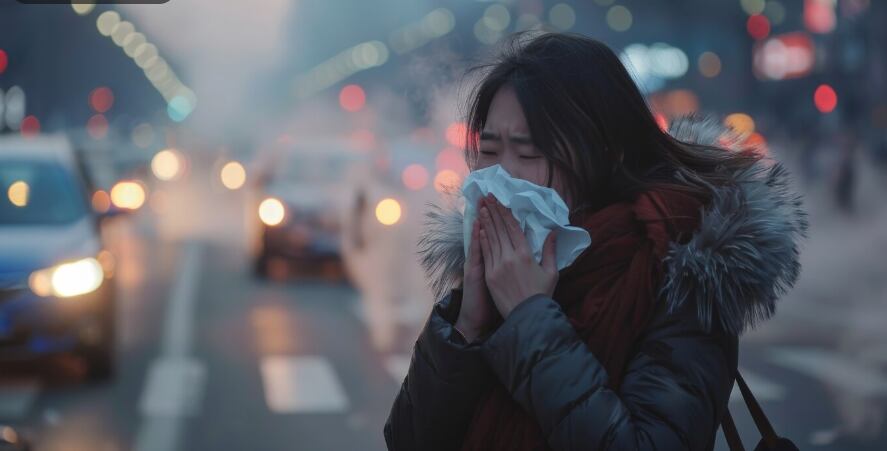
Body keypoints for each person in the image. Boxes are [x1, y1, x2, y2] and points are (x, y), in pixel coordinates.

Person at [383, 32, 808, 451]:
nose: (501, 178)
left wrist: (529, 318)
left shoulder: (674, 273)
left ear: (606, 154)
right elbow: (408, 440)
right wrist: (469, 322)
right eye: (490, 152)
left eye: (529, 153)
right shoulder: (499, 271)